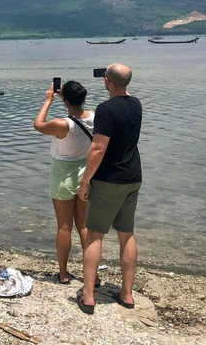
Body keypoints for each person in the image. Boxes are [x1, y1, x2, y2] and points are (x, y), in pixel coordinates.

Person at [76, 63, 142, 315]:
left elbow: (98, 148)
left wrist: (85, 182)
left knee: (94, 235)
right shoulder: (136, 104)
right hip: (133, 176)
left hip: (109, 178)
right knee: (126, 233)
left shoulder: (105, 109)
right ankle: (127, 294)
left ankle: (89, 295)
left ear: (107, 82)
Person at [34, 80, 94, 285]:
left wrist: (48, 101)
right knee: (84, 226)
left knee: (64, 227)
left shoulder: (61, 124)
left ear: (65, 99)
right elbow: (79, 112)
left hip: (63, 176)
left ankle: (63, 273)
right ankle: (91, 275)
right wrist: (67, 100)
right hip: (86, 174)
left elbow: (38, 124)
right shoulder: (95, 116)